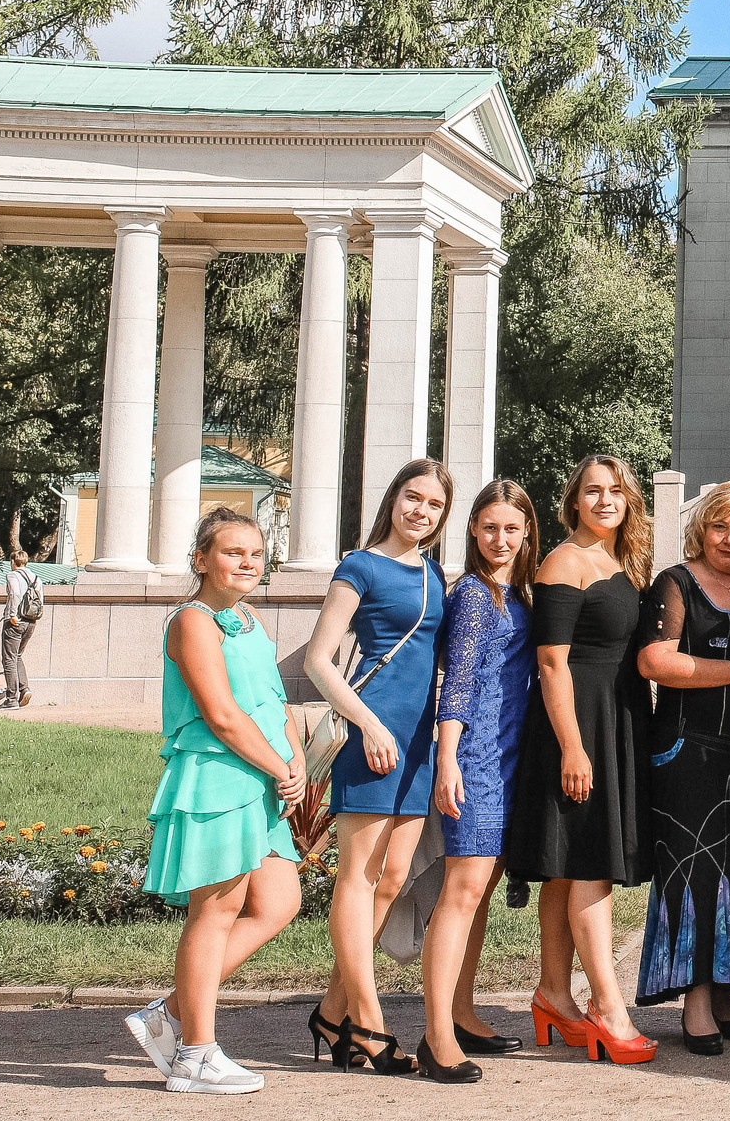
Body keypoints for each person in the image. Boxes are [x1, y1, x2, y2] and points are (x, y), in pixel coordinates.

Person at [124, 507, 305, 1095]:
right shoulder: (194, 621)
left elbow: (274, 700)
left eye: (255, 553)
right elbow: (222, 715)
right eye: (233, 552)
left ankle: (167, 1014)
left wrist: (296, 757)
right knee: (216, 911)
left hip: (264, 779)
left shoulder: (247, 618)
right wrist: (280, 765)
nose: (248, 562)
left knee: (278, 902)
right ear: (201, 560)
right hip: (218, 779)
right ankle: (196, 1054)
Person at [304, 457, 451, 1075]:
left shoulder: (436, 573)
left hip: (417, 743)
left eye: (435, 505)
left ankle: (330, 1012)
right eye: (412, 498)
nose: (421, 511)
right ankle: (367, 1019)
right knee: (357, 879)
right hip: (372, 737)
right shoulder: (358, 567)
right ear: (393, 499)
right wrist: (368, 724)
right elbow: (319, 660)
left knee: (392, 879)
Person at [508, 455, 656, 1066]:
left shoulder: (620, 561)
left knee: (567, 863)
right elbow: (550, 662)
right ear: (573, 502)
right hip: (578, 724)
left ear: (628, 501)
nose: (604, 500)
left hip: (615, 719)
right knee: (591, 859)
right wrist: (572, 745)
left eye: (615, 491)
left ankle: (551, 995)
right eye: (592, 491)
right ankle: (608, 1008)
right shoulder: (565, 561)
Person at [634, 479, 730, 1055]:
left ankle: (726, 990)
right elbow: (655, 661)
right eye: (720, 526)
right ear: (703, 528)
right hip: (686, 748)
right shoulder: (676, 582)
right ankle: (695, 1001)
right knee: (697, 872)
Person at [418, 480, 541, 1083]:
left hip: (512, 752)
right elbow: (458, 680)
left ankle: (462, 1012)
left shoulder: (518, 593)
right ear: (472, 530)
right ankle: (436, 1032)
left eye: (511, 529)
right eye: (489, 528)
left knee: (481, 889)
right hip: (475, 757)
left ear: (526, 533)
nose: (500, 539)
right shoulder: (472, 593)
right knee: (462, 890)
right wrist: (448, 760)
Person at [0, 545, 40, 710]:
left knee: (9, 658)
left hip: (16, 621)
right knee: (17, 656)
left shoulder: (12, 575)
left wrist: (11, 614)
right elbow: (40, 599)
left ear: (13, 561)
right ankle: (24, 689)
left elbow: (14, 594)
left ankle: (11, 699)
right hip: (31, 621)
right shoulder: (35, 577)